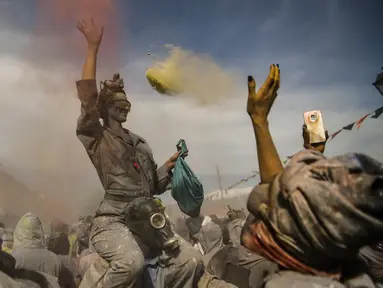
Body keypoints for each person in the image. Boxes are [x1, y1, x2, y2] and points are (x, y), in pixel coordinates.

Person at [75, 18, 203, 287]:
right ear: (105, 107)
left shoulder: (140, 143)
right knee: (129, 263)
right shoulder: (97, 137)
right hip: (114, 220)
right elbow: (87, 98)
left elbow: (153, 186)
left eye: (126, 101)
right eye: (117, 101)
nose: (124, 105)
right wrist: (92, 47)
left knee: (192, 261)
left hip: (149, 217)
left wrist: (170, 164)